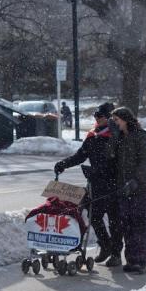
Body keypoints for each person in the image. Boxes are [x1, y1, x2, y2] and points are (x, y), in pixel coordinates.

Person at [53, 102, 122, 266]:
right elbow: (80, 156)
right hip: (96, 184)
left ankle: (116, 254)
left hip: (114, 185)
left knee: (115, 221)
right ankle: (105, 245)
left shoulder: (117, 136)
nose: (97, 119)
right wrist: (63, 164)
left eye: (101, 116)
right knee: (95, 217)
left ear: (110, 118)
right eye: (96, 116)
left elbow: (124, 162)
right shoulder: (93, 137)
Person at [110, 107, 146, 274]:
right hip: (123, 190)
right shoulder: (120, 138)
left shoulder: (141, 137)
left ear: (125, 119)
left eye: (116, 120)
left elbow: (144, 163)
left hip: (139, 189)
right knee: (127, 225)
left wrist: (135, 181)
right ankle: (131, 259)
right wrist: (114, 137)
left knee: (139, 225)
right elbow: (110, 156)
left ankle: (141, 260)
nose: (115, 123)